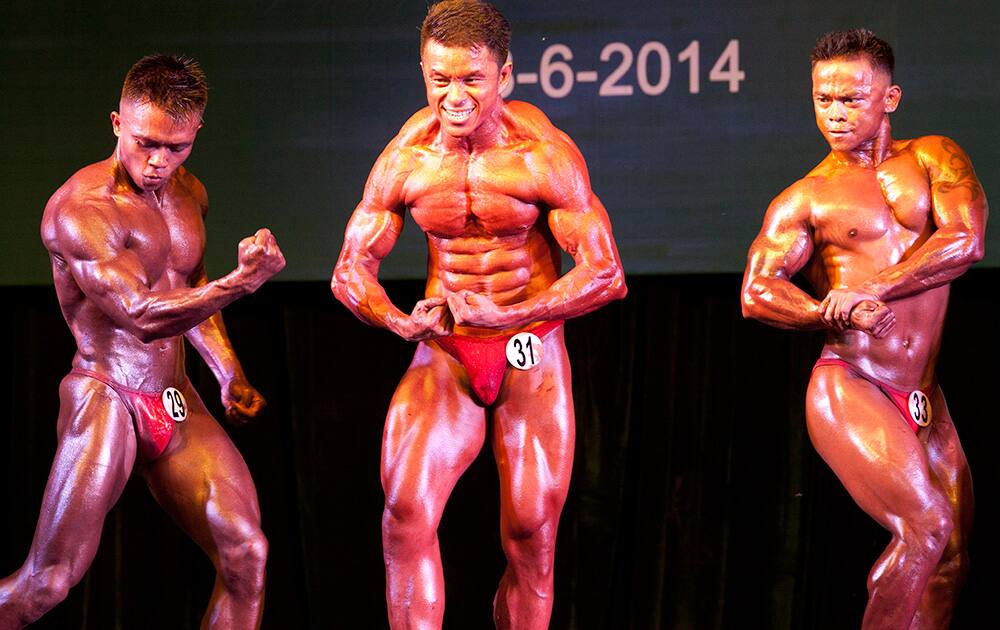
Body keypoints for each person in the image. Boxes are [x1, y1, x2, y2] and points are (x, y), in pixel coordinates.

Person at [331, 1, 626, 627]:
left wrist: (510, 315)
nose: (454, 96)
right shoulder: (406, 160)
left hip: (531, 343)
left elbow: (606, 275)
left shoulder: (543, 154)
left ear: (506, 74)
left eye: (471, 79)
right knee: (405, 511)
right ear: (423, 71)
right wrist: (395, 320)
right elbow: (349, 271)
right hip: (448, 347)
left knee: (529, 536)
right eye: (440, 80)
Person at [0, 54, 285, 629]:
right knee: (46, 584)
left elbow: (189, 288)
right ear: (115, 124)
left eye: (175, 147)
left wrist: (228, 370)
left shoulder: (189, 194)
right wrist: (240, 284)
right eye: (145, 142)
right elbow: (141, 314)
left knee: (247, 555)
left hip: (176, 397)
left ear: (195, 134)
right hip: (108, 394)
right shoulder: (83, 210)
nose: (158, 161)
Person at [742, 29, 987, 629]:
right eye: (823, 100)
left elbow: (966, 241)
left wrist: (870, 289)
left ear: (890, 98)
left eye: (850, 98)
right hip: (853, 383)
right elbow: (756, 292)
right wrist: (826, 310)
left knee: (950, 557)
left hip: (926, 395)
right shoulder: (806, 198)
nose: (835, 113)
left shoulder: (935, 156)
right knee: (925, 528)